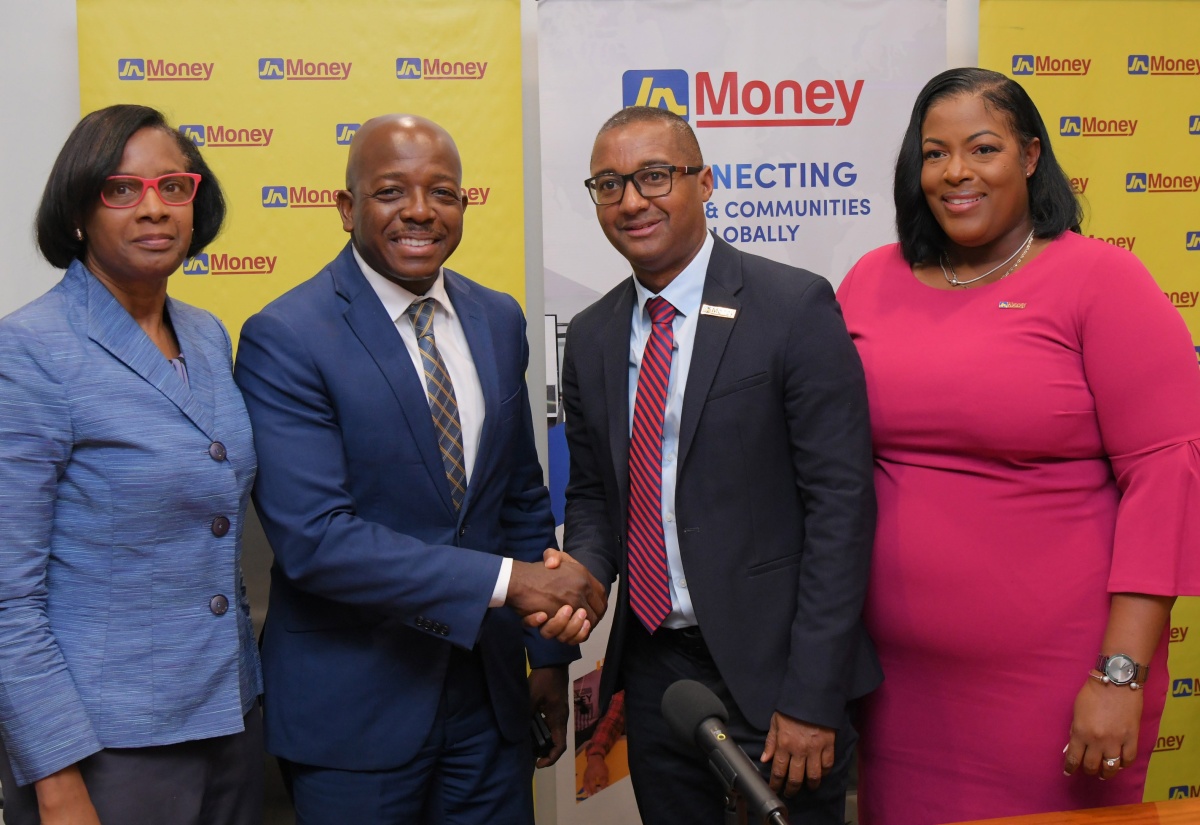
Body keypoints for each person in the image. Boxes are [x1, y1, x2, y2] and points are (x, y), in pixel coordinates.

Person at [836, 67, 1200, 824]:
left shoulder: (1101, 279)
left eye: (983, 147)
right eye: (934, 153)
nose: (956, 172)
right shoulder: (871, 280)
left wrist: (1120, 675)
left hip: (1058, 679)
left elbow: (1167, 473)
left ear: (1031, 157)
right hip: (894, 683)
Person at [234, 113, 606, 825]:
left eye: (442, 192)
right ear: (346, 209)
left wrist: (549, 660)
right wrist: (511, 582)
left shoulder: (498, 319)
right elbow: (317, 540)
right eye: (390, 191)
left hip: (490, 704)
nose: (419, 211)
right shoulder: (287, 336)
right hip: (357, 710)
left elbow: (520, 496)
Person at [553, 106, 880, 825]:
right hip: (657, 672)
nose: (632, 200)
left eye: (654, 176)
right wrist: (581, 567)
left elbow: (841, 507)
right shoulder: (595, 334)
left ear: (705, 182)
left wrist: (811, 695)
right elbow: (594, 495)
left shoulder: (792, 305)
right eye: (610, 184)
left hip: (778, 673)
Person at [0, 104, 263, 824]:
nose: (155, 208)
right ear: (79, 208)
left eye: (174, 187)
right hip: (104, 751)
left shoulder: (208, 336)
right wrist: (56, 778)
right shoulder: (29, 350)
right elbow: (7, 600)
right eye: (123, 189)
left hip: (232, 718)